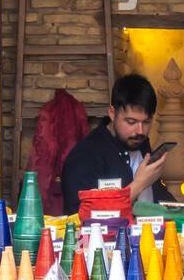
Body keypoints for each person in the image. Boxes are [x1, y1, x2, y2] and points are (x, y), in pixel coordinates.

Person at [61, 73, 174, 214]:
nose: (140, 131)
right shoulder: (86, 156)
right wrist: (138, 185)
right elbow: (82, 216)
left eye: (146, 122)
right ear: (112, 113)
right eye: (131, 122)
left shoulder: (139, 142)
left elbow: (155, 195)